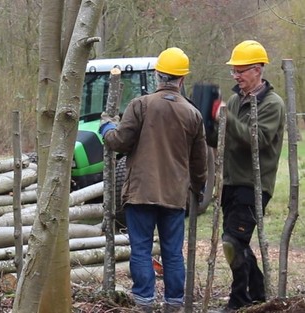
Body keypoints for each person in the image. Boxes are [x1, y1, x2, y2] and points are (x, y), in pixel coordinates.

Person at [99, 47, 208, 313]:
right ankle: (174, 304)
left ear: (158, 75)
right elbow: (199, 162)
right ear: (182, 79)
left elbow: (120, 142)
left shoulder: (141, 105)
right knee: (172, 252)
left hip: (141, 193)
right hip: (174, 195)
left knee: (141, 249)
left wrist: (107, 127)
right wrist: (199, 188)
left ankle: (144, 303)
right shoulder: (193, 114)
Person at [210, 40, 286, 312]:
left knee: (232, 242)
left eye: (240, 71)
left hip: (254, 185)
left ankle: (239, 300)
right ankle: (259, 293)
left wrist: (226, 118)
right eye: (234, 71)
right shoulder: (234, 100)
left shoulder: (272, 104)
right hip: (231, 183)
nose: (236, 76)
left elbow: (259, 140)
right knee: (236, 242)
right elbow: (225, 138)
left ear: (258, 70)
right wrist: (211, 123)